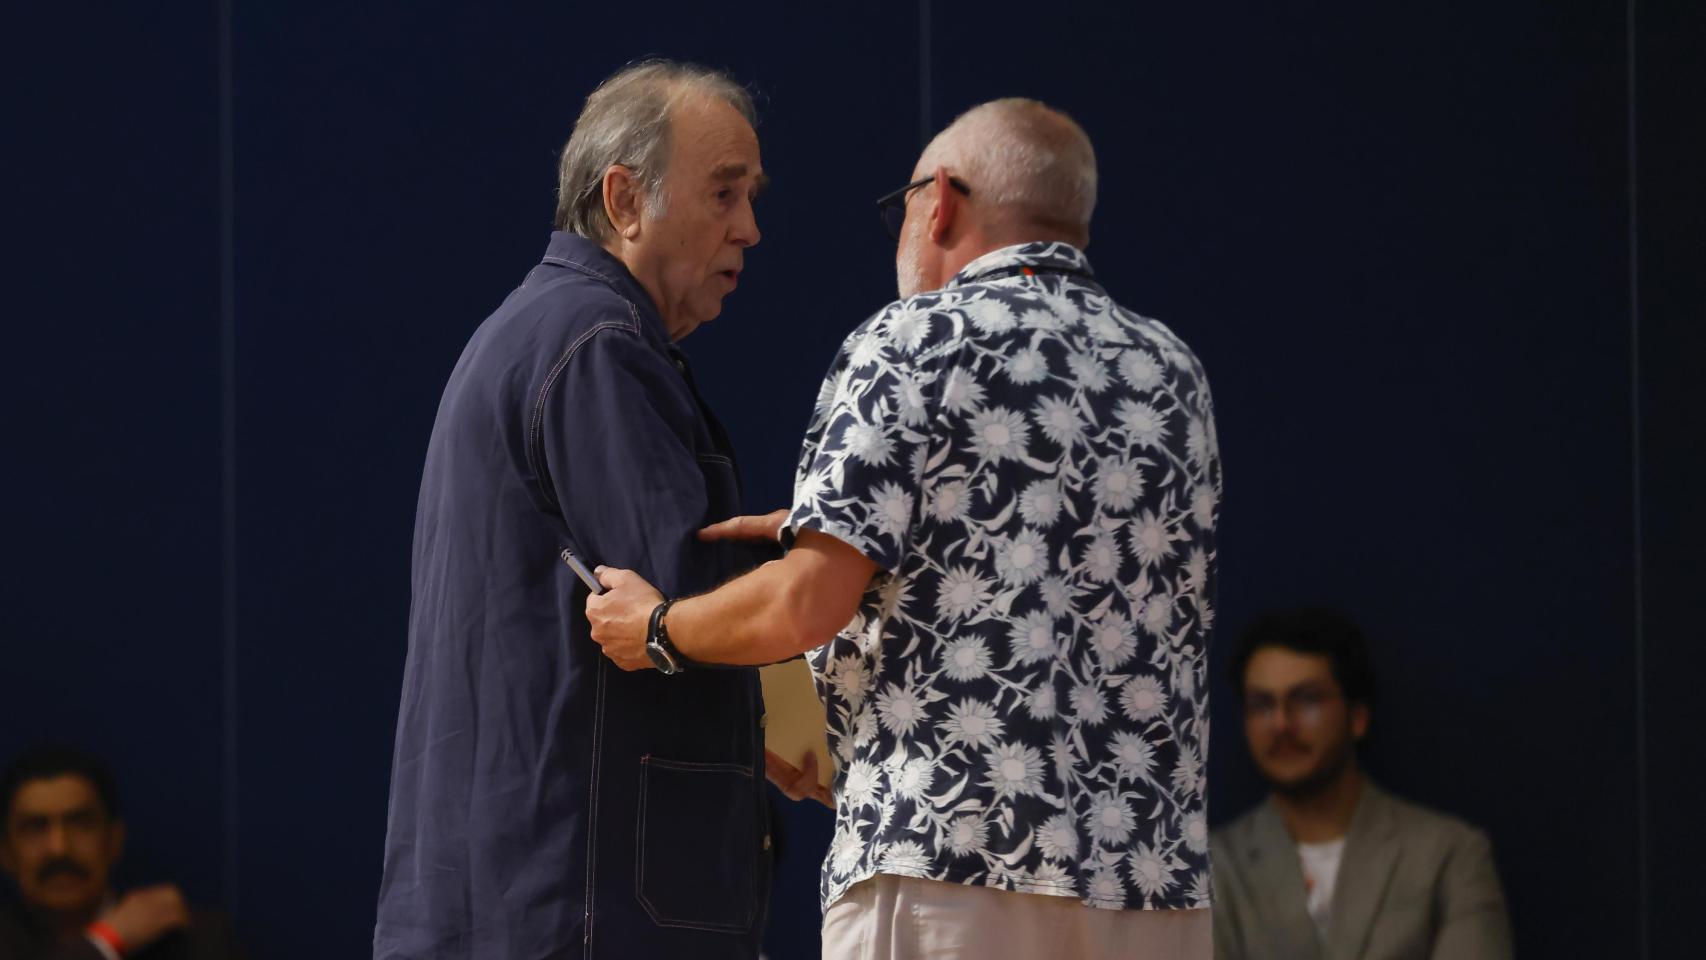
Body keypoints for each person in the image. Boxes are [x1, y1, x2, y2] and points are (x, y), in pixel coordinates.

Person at [588, 98, 1221, 959]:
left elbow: (809, 602)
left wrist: (657, 631)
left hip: (947, 865)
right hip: (1152, 887)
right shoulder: (1172, 373)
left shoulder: (914, 340)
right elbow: (1062, 572)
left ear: (943, 201)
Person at [373, 60, 773, 959]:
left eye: (751, 195)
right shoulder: (599, 347)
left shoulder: (528, 330)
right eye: (723, 193)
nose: (749, 228)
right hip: (591, 903)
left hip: (501, 894)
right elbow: (688, 602)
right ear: (624, 200)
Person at [1210, 609, 1513, 960]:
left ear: (1357, 717)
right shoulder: (1210, 869)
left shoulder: (1450, 854)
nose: (1281, 723)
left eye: (1307, 699)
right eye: (1261, 704)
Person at [0, 745, 240, 960]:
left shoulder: (193, 940)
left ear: (114, 840)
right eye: (35, 828)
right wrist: (106, 942)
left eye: (80, 824)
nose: (59, 848)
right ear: (6, 852)